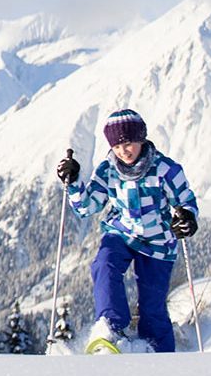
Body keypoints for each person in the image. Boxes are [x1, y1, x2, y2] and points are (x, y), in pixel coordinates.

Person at [55, 108, 199, 354]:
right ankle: (111, 328)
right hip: (121, 233)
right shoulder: (108, 170)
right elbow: (86, 207)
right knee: (105, 264)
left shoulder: (165, 169)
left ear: (141, 138)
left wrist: (187, 217)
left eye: (129, 143)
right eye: (118, 146)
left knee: (152, 306)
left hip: (158, 241)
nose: (124, 150)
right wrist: (74, 181)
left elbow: (186, 200)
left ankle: (159, 353)